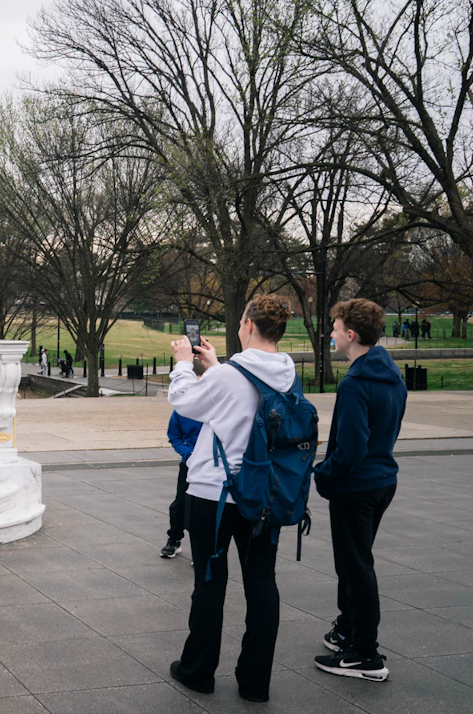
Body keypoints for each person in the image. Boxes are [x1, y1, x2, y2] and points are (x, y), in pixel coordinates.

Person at [166, 294, 296, 702]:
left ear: (249, 326)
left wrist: (184, 364)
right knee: (261, 584)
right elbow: (248, 403)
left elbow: (184, 402)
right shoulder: (289, 374)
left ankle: (199, 670)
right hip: (265, 495)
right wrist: (218, 367)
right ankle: (255, 681)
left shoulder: (229, 376)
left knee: (209, 581)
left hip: (214, 494)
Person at [312, 299, 406, 682]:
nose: (331, 334)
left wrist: (324, 474)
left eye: (335, 329)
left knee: (356, 566)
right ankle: (348, 630)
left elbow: (350, 448)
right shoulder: (392, 375)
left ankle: (365, 655)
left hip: (357, 485)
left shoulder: (354, 383)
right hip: (383, 481)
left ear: (350, 335)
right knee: (354, 561)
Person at [162, 383, 203, 559]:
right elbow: (174, 436)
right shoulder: (181, 410)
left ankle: (202, 548)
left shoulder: (217, 406)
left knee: (205, 508)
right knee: (180, 504)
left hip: (213, 464)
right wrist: (188, 454)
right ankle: (174, 539)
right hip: (190, 462)